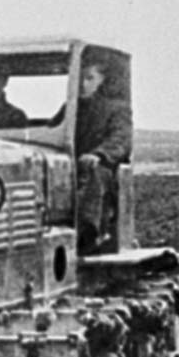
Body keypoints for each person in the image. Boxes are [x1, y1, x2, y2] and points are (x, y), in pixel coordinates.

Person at [51, 61, 133, 253]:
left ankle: (87, 232)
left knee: (94, 174)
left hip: (102, 167)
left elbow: (120, 139)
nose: (82, 84)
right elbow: (52, 131)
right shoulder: (69, 109)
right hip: (72, 165)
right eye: (79, 78)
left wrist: (98, 154)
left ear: (101, 80)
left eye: (89, 78)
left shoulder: (115, 109)